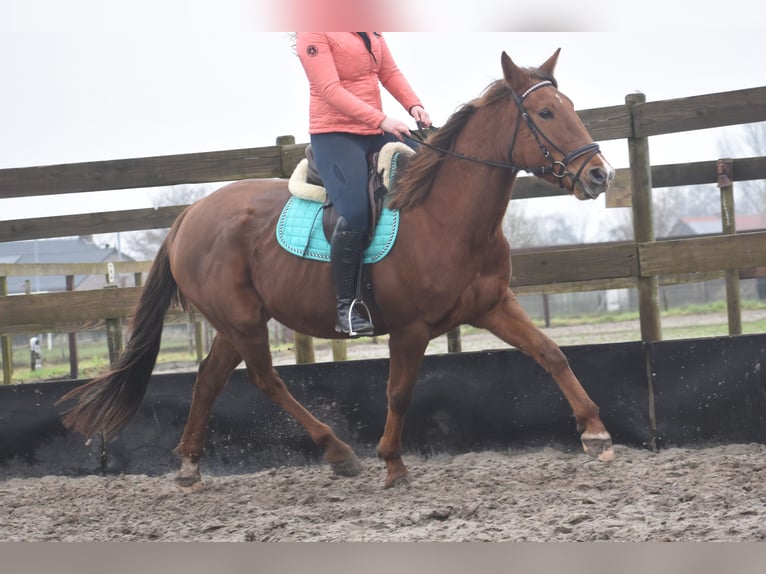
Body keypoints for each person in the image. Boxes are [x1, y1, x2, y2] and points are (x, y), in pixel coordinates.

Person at [296, 32, 431, 337]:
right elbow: (329, 89)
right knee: (355, 212)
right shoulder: (313, 31)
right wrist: (382, 120)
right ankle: (347, 306)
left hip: (373, 129)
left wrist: (413, 105)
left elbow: (389, 72)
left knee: (433, 171)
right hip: (334, 134)